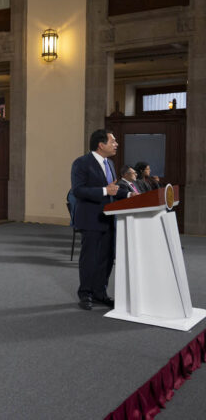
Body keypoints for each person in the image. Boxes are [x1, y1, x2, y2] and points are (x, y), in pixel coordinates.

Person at [70, 129, 127, 311]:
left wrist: (130, 194)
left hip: (109, 219)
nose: (116, 144)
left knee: (107, 258)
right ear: (101, 145)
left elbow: (114, 189)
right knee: (90, 258)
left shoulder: (110, 163)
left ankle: (100, 293)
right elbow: (78, 190)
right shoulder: (81, 163)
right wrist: (104, 191)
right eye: (113, 141)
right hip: (90, 218)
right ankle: (85, 293)